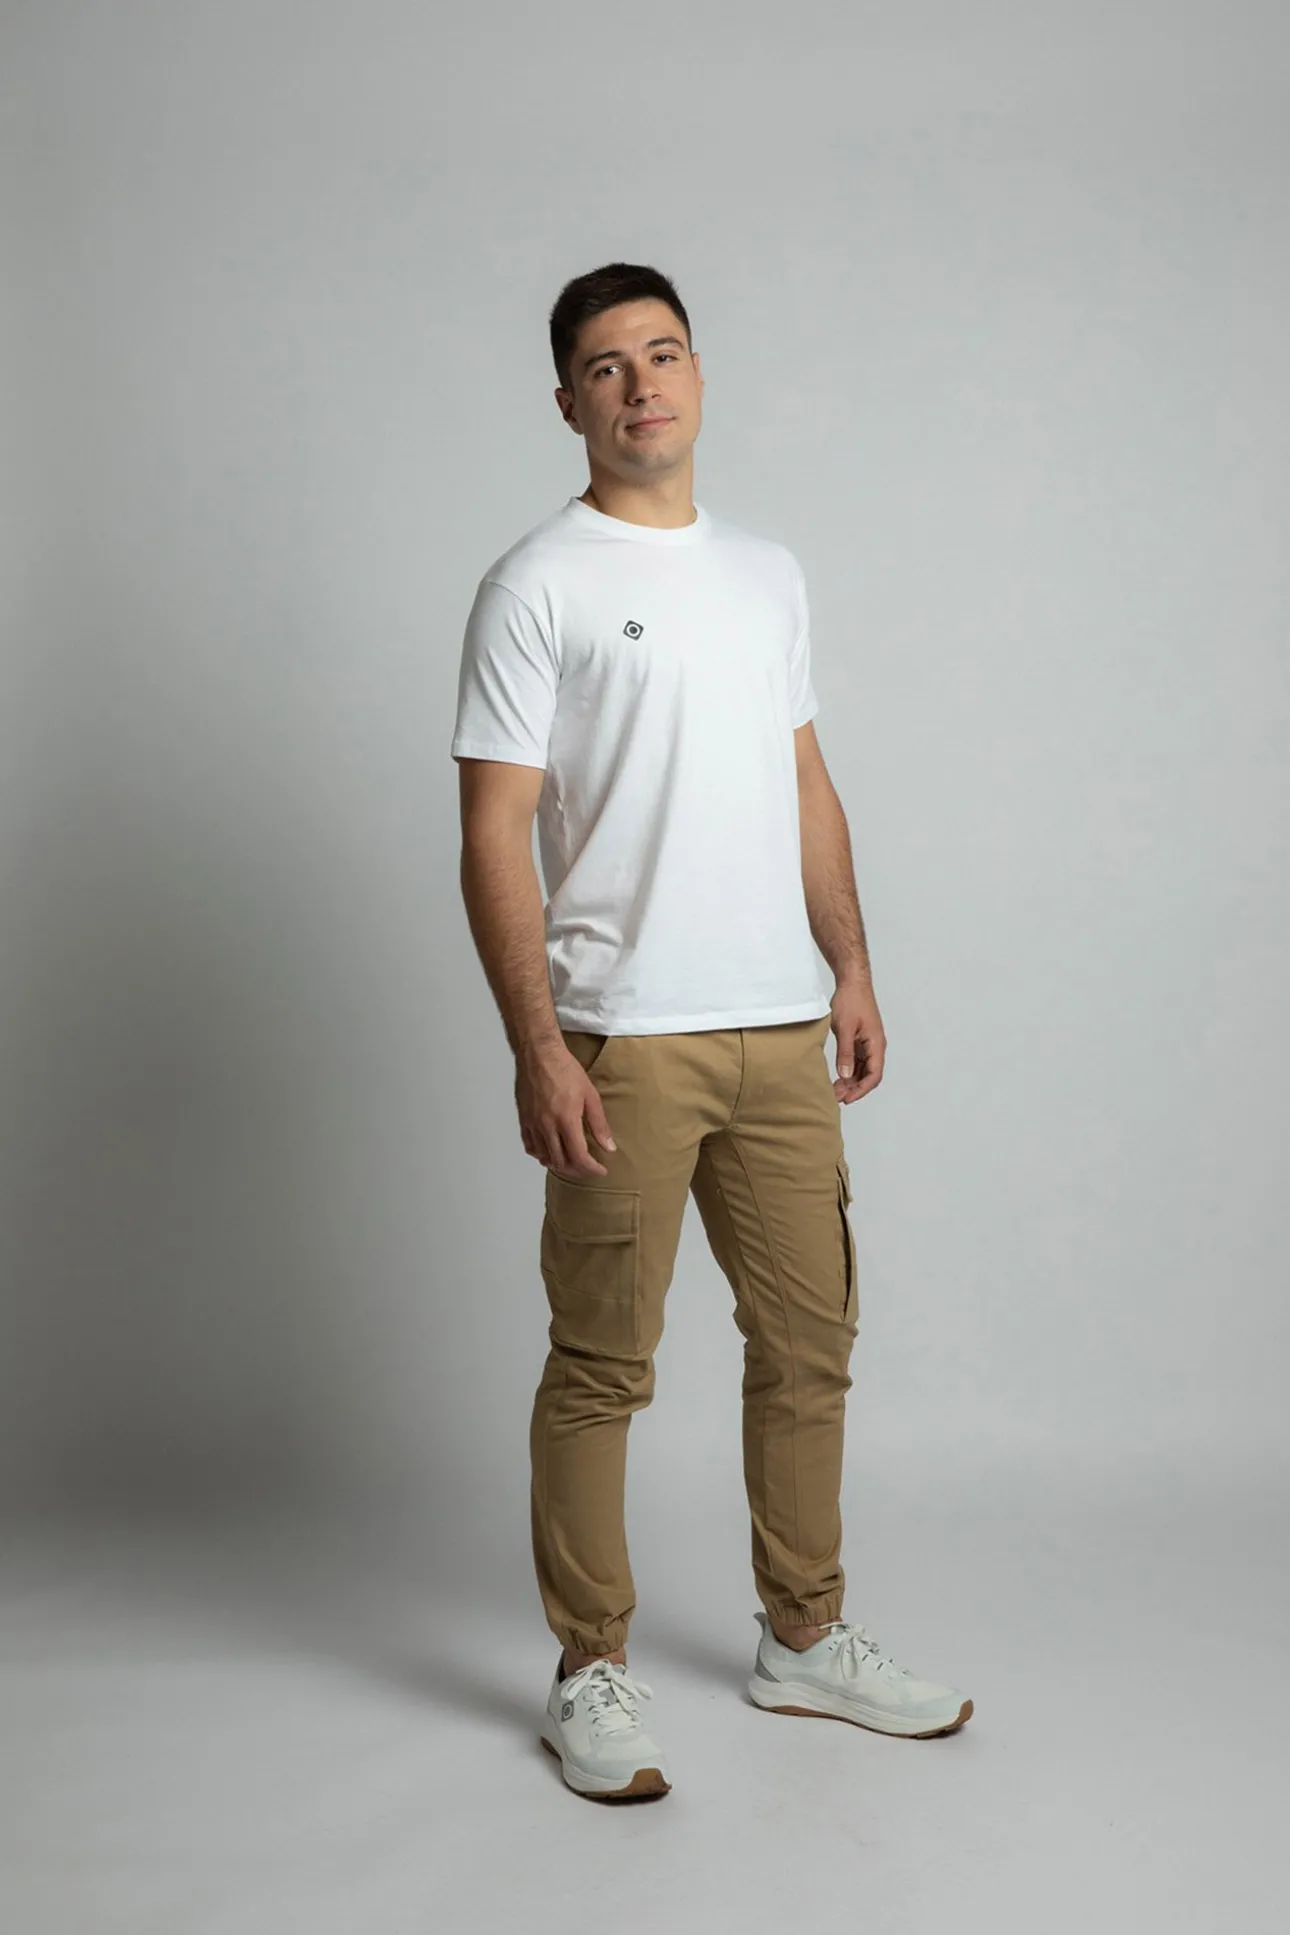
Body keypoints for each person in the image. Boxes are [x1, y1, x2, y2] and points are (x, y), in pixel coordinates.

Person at [450, 261, 973, 1802]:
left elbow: (802, 776)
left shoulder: (765, 572)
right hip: (625, 1039)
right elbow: (491, 831)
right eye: (607, 365)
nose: (640, 384)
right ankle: (588, 1668)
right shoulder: (534, 583)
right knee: (601, 1364)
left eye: (662, 353)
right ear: (568, 401)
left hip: (777, 1030)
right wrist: (538, 1044)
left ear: (697, 375)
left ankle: (800, 1636)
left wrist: (850, 964)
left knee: (809, 1346)